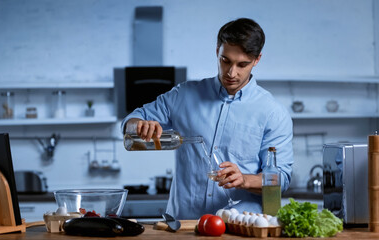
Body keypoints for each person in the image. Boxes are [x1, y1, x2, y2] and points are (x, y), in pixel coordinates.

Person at [121, 18, 293, 219]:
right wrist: (139, 125)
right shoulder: (183, 95)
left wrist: (244, 180)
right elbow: (131, 122)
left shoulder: (273, 113)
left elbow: (281, 179)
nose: (231, 72)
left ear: (257, 60)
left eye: (242, 64)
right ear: (217, 50)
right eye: (225, 60)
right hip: (183, 226)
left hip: (240, 228)